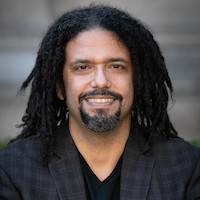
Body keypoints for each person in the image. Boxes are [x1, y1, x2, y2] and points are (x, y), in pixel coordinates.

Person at [0, 5, 200, 200]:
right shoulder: (14, 168)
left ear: (137, 82)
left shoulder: (185, 165)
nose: (101, 81)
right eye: (83, 67)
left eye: (116, 66)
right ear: (60, 87)